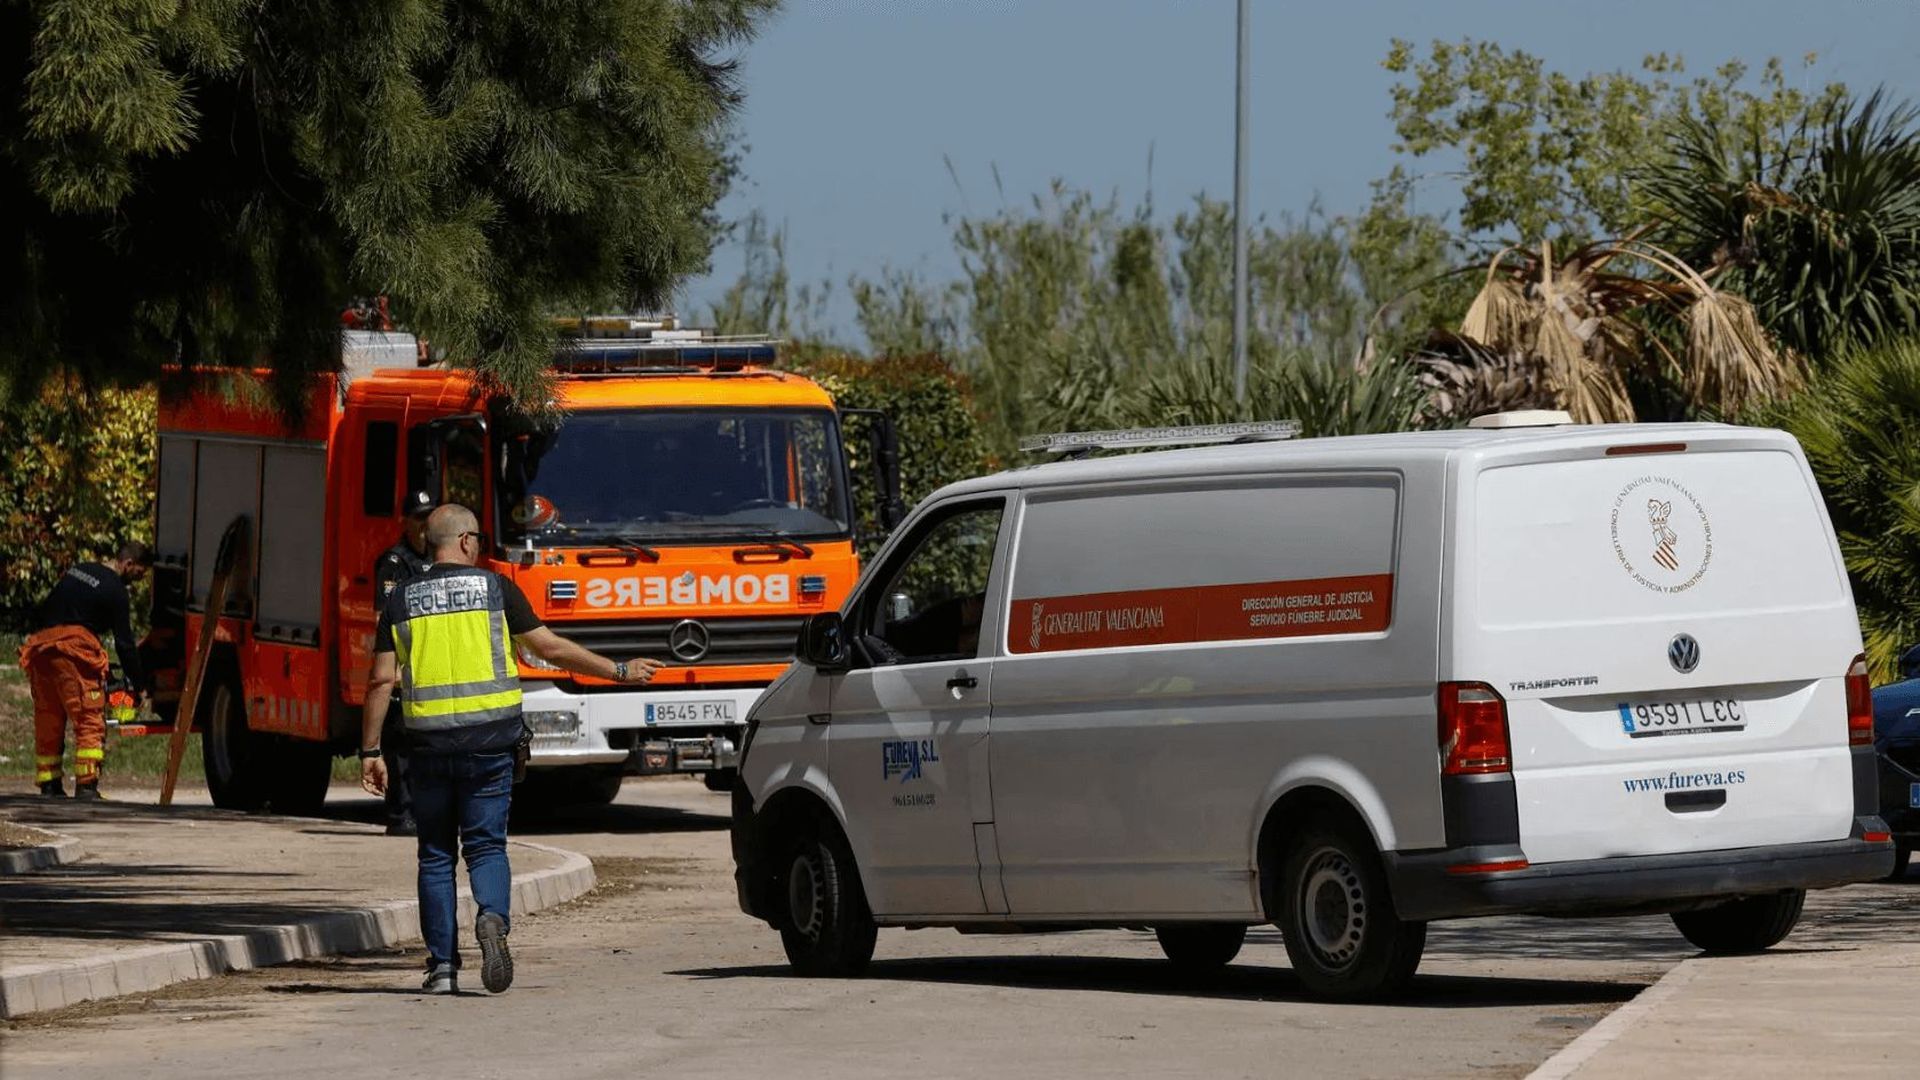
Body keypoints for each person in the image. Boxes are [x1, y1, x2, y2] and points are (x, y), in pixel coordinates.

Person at [359, 505, 663, 995]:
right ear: (463, 542)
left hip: (428, 748)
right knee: (485, 846)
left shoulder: (401, 601)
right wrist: (619, 671)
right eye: (477, 537)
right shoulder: (496, 590)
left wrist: (369, 750)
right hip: (490, 745)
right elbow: (551, 648)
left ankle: (441, 969)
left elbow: (379, 680)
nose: (479, 544)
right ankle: (493, 921)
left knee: (435, 856)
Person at [21, 542, 154, 799]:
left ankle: (49, 785)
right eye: (138, 573)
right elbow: (125, 644)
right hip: (74, 653)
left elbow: (46, 607)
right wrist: (139, 684)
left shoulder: (80, 569)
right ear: (127, 564)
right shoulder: (116, 590)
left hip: (41, 649)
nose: (137, 581)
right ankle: (86, 786)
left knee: (49, 718)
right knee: (89, 719)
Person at [371, 489, 437, 836]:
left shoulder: (439, 559)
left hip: (430, 667)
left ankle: (424, 811)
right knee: (400, 747)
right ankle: (400, 815)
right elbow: (384, 618)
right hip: (404, 665)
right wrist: (393, 667)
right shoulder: (394, 563)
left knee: (425, 746)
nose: (425, 524)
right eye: (419, 517)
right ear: (405, 521)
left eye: (430, 516)